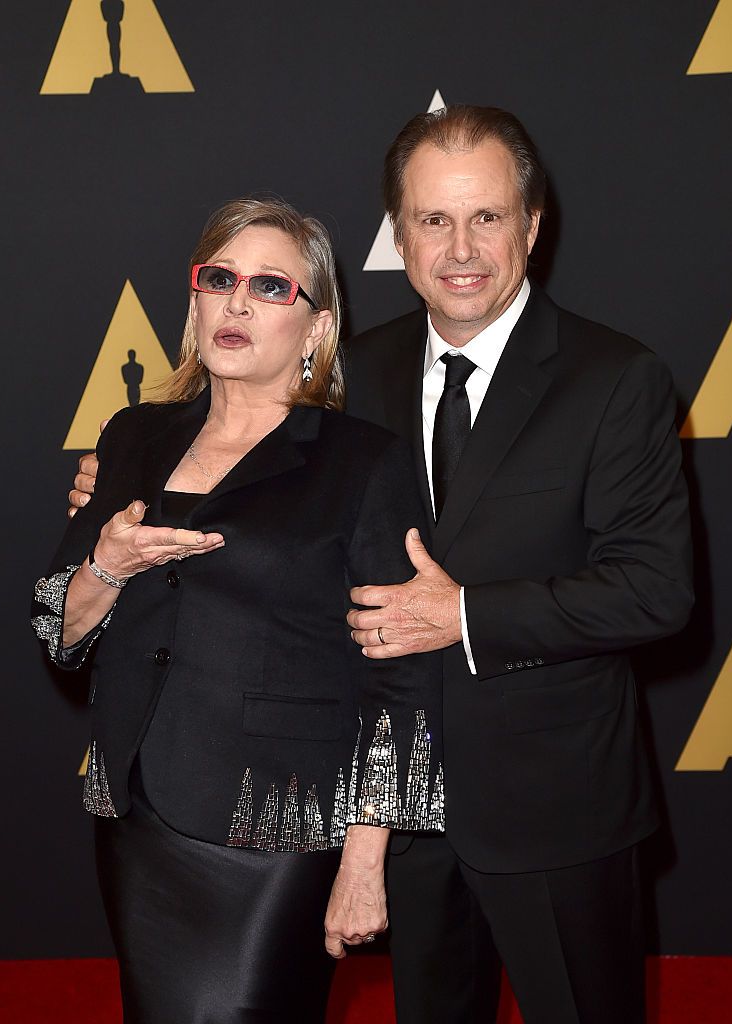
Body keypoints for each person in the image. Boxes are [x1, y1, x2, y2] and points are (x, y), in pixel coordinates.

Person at [68, 107, 695, 1024]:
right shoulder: (353, 371)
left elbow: (655, 590)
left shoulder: (615, 378)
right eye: (432, 221)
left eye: (485, 217)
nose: (459, 247)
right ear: (397, 237)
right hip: (392, 820)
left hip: (551, 807)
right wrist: (123, 478)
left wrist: (466, 615)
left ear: (531, 225)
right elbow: (257, 500)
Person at [34, 197, 443, 1023]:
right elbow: (58, 632)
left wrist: (365, 861)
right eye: (218, 279)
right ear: (193, 299)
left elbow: (402, 674)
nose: (236, 303)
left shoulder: (363, 462)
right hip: (140, 814)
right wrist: (107, 566)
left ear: (317, 328)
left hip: (280, 823)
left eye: (269, 286)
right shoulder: (131, 438)